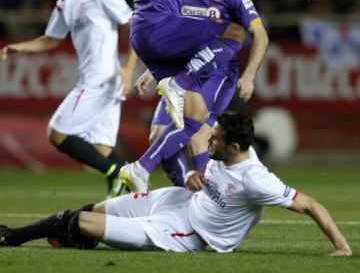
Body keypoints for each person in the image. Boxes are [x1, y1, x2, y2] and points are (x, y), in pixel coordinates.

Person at [0, 111, 352, 257]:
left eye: (215, 139)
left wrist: (343, 248)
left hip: (186, 232)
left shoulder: (257, 180)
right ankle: (27, 236)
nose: (208, 142)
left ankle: (20, 237)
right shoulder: (221, 155)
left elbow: (310, 205)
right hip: (179, 200)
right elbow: (193, 131)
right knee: (92, 210)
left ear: (234, 147)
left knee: (80, 222)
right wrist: (186, 174)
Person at [102, 0, 262, 190]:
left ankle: (171, 182)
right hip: (155, 25)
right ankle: (181, 82)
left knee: (195, 117)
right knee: (233, 30)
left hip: (162, 41)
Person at [0, 0, 136, 198]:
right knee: (101, 149)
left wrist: (129, 69)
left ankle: (112, 174)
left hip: (101, 80)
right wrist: (20, 47)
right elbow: (51, 40)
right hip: (101, 83)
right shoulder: (66, 1)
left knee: (57, 132)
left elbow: (136, 27)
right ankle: (136, 191)